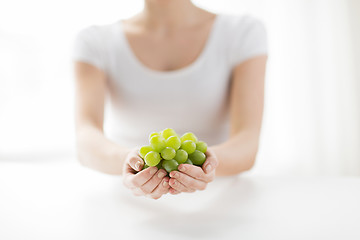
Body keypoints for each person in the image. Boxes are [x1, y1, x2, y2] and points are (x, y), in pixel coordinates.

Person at [73, 0, 268, 199]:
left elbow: (247, 141)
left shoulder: (242, 32)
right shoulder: (95, 41)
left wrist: (209, 164)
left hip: (222, 199)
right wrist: (128, 161)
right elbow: (86, 137)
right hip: (126, 197)